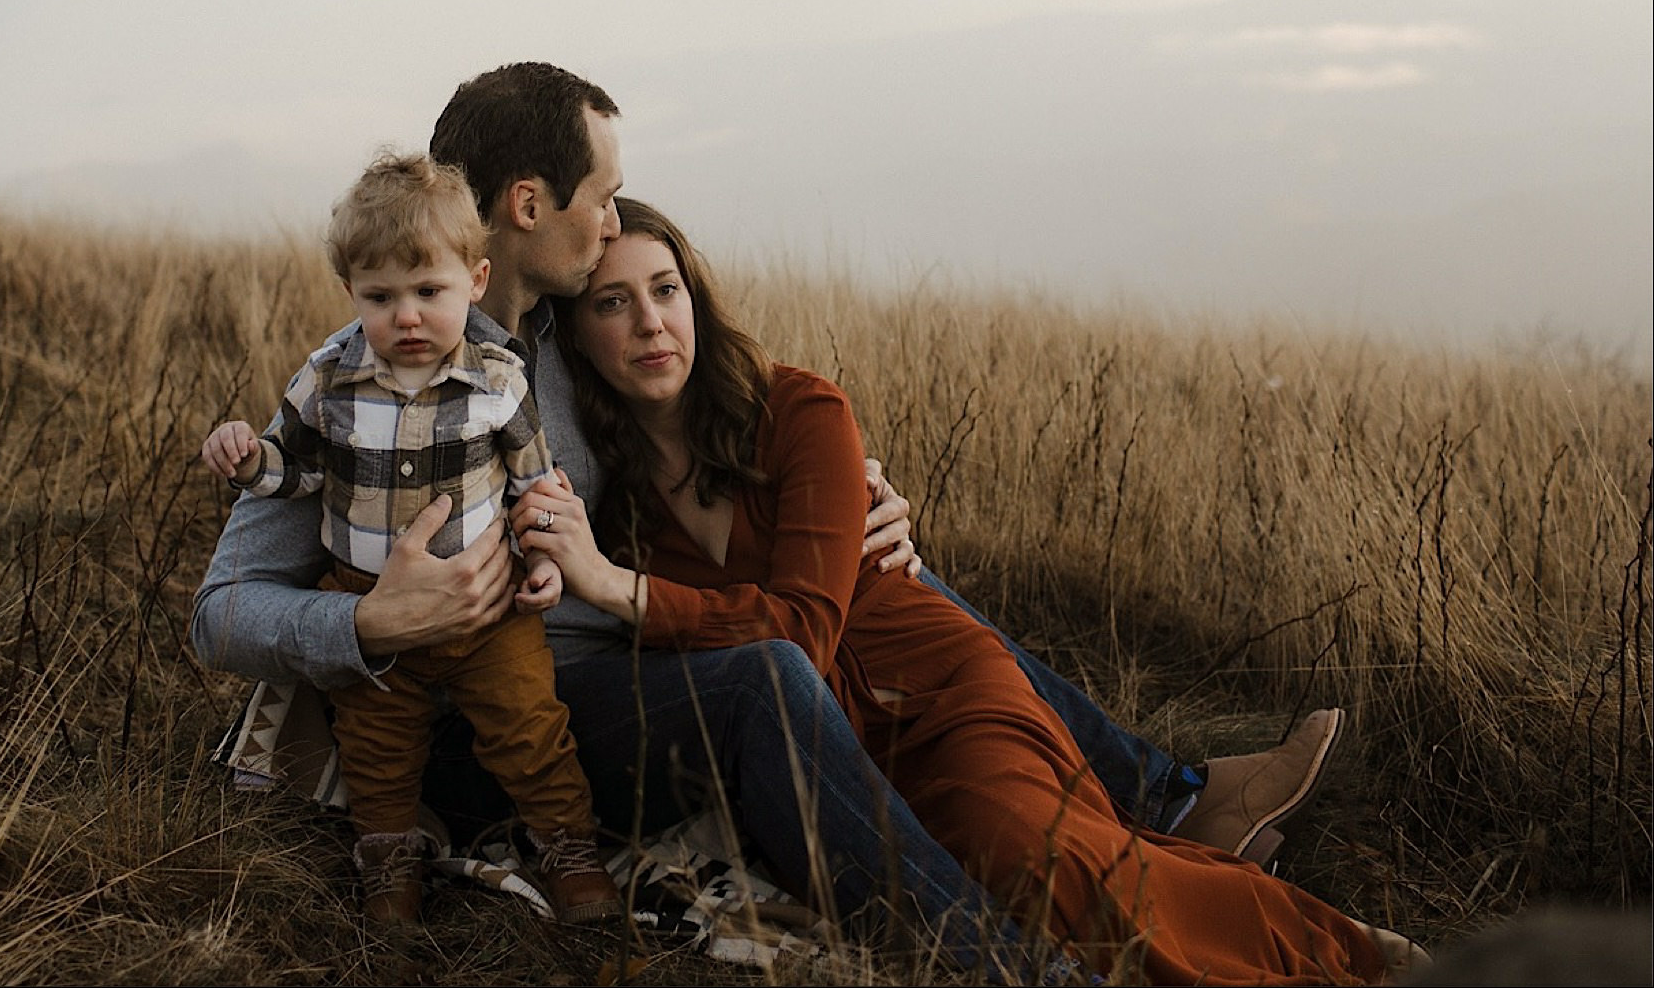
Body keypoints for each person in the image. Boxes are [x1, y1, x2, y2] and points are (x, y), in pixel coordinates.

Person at [190, 61, 1350, 967]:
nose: (612, 222)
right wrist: (367, 628)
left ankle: (1162, 796)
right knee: (763, 675)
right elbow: (221, 611)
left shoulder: (562, 339)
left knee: (847, 570)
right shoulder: (369, 371)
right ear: (531, 203)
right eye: (597, 200)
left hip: (611, 675)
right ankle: (1008, 968)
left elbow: (715, 436)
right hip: (475, 725)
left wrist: (849, 495)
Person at [520, 196, 1429, 983]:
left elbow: (800, 631)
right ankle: (1196, 844)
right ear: (579, 341)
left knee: (1037, 860)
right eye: (614, 302)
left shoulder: (801, 412)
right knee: (1005, 876)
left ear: (697, 301)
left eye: (666, 290)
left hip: (938, 692)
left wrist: (615, 586)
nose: (649, 322)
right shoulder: (616, 496)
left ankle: (1333, 948)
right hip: (832, 747)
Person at [197, 151, 622, 927]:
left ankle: (569, 848)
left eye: (430, 292)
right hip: (367, 607)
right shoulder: (328, 379)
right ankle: (388, 867)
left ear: (476, 281)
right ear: (351, 293)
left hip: (492, 620)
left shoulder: (500, 381)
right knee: (376, 751)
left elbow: (536, 490)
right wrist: (250, 459)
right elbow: (296, 472)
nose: (408, 316)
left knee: (532, 731)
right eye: (381, 296)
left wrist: (545, 568)